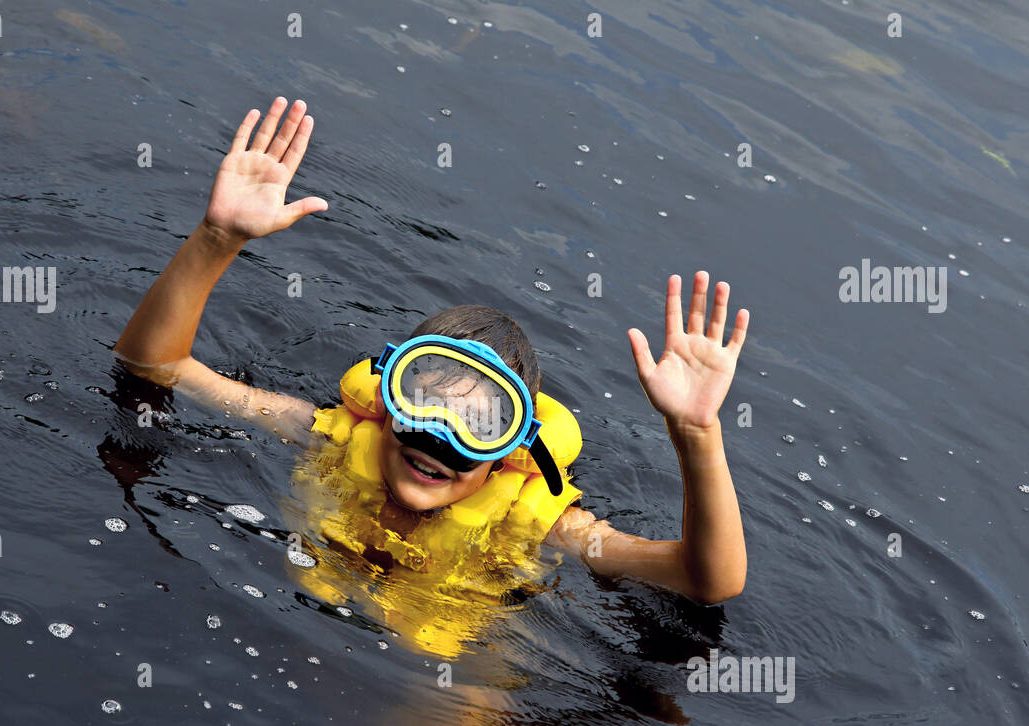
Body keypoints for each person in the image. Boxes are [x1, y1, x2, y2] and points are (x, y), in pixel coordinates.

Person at [113, 96, 749, 611]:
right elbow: (156, 365)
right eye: (423, 399)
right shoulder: (325, 437)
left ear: (514, 446)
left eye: (479, 423)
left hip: (454, 676)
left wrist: (696, 432)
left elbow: (706, 581)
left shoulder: (543, 525)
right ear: (385, 395)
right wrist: (217, 239)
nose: (440, 437)